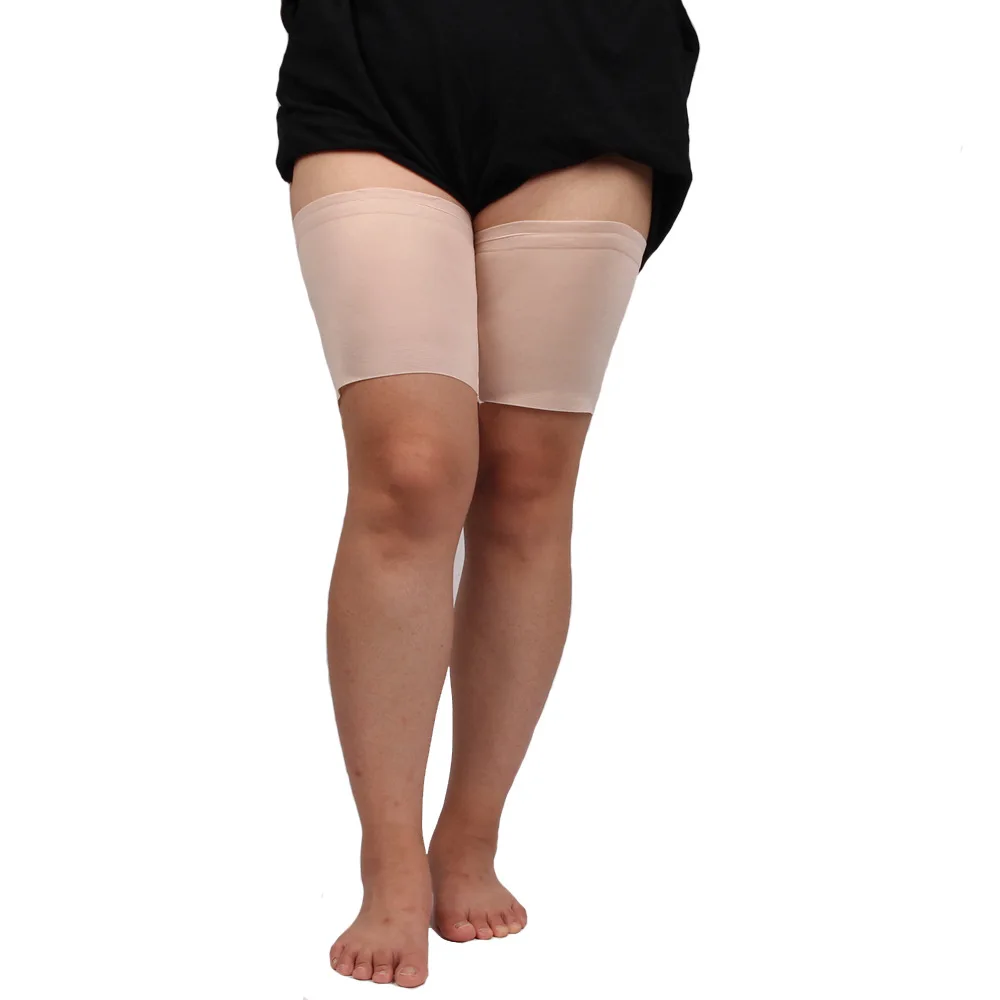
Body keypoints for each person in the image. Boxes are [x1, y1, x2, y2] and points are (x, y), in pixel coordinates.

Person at [275, 0, 699, 987]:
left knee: (525, 479)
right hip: (373, 56)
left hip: (592, 59)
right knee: (410, 468)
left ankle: (468, 833)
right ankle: (389, 857)